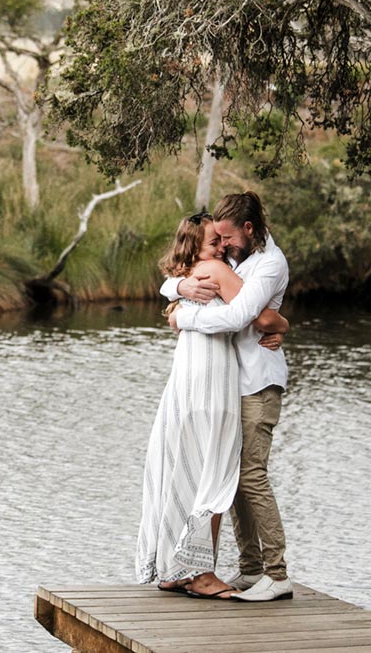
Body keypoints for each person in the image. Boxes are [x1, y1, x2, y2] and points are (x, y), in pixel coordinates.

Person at [137, 210, 288, 599]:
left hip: (188, 377)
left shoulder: (190, 274)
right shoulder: (216, 271)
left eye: (224, 240)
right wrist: (282, 324)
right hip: (211, 379)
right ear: (198, 247)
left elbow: (172, 291)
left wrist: (180, 307)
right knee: (214, 469)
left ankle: (174, 568)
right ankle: (201, 573)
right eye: (214, 241)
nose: (222, 246)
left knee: (185, 465)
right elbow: (254, 316)